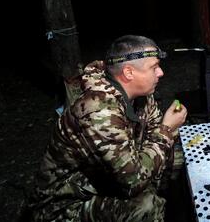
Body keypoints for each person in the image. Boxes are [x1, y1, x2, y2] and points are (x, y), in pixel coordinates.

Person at [28, 35, 188, 221]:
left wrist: (162, 135)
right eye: (154, 67)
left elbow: (153, 135)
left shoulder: (142, 95)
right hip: (65, 203)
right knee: (145, 206)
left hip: (106, 179)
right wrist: (167, 129)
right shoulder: (99, 112)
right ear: (128, 73)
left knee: (181, 160)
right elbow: (133, 181)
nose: (160, 73)